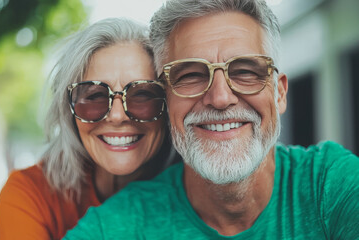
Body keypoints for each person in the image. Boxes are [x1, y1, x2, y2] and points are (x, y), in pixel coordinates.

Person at [63, 0, 359, 239]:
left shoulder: (332, 185)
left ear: (279, 93)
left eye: (245, 71)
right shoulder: (118, 225)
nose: (220, 98)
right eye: (191, 75)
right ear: (166, 100)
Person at [0, 18, 178, 240]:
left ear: (168, 105)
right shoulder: (30, 194)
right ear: (69, 110)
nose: (117, 116)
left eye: (142, 95)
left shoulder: (198, 193)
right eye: (95, 97)